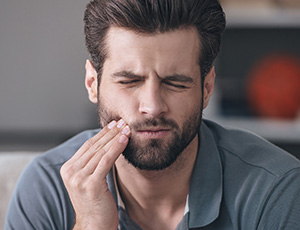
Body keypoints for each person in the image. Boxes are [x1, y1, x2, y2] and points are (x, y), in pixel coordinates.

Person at [5, 0, 300, 229]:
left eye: (175, 82)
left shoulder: (276, 190)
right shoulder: (46, 187)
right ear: (92, 84)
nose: (152, 106)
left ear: (207, 87)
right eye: (129, 81)